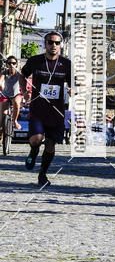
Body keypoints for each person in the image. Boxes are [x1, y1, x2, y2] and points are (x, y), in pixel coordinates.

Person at [19, 31, 71, 188]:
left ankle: (42, 175)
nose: (53, 45)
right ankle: (33, 152)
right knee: (36, 139)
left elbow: (74, 82)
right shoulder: (35, 61)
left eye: (56, 43)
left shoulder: (66, 64)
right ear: (45, 44)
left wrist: (73, 90)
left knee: (50, 144)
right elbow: (23, 75)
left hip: (56, 110)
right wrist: (24, 91)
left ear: (60, 45)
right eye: (50, 42)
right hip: (38, 108)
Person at [0, 55, 23, 135]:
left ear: (16, 64)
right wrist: (1, 85)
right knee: (3, 116)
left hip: (16, 94)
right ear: (7, 65)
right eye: (9, 63)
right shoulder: (4, 72)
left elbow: (23, 81)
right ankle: (1, 135)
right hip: (5, 95)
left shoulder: (18, 73)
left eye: (13, 63)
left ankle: (15, 121)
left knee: (16, 102)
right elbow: (1, 80)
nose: (11, 65)